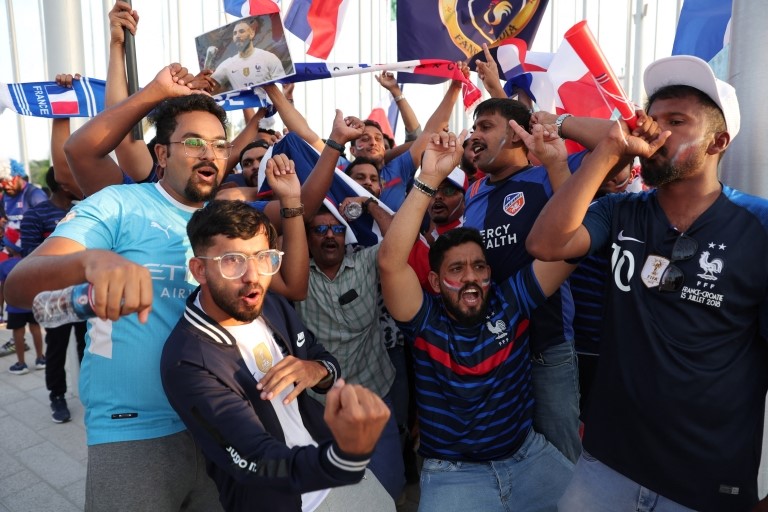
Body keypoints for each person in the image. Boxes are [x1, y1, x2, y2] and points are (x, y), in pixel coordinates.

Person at [4, 63, 306, 511]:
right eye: (194, 143)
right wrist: (90, 260)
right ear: (161, 154)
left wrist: (293, 199)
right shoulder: (119, 204)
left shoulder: (228, 226)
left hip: (222, 427)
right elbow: (17, 286)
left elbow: (290, 283)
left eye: (220, 145)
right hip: (134, 432)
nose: (211, 154)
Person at [526, 55, 768, 512]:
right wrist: (608, 152)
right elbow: (545, 243)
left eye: (676, 121)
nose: (654, 132)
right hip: (605, 469)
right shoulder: (621, 212)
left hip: (706, 486)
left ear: (718, 141)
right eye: (650, 120)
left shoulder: (758, 226)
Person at [378, 128, 580, 511]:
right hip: (453, 474)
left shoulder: (513, 300)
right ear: (435, 282)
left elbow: (569, 246)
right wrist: (430, 180)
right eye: (457, 268)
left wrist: (556, 165)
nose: (471, 276)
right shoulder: (423, 320)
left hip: (528, 459)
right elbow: (390, 262)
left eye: (479, 266)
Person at [161, 200, 394, 512]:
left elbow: (321, 358)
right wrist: (346, 456)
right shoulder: (188, 361)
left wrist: (316, 371)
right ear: (200, 269)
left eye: (264, 258)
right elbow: (255, 460)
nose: (253, 276)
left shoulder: (271, 305)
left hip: (337, 473)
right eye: (233, 261)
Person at [20, 167, 85, 422]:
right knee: (56, 349)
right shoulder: (35, 216)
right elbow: (29, 259)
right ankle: (57, 397)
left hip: (84, 292)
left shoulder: (85, 211)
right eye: (75, 178)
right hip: (54, 298)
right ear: (63, 184)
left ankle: (90, 395)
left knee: (88, 347)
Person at [1, 235, 44, 375]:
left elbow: (2, 289)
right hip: (32, 302)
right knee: (35, 328)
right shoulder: (30, 261)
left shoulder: (4, 265)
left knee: (18, 332)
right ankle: (40, 359)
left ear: (10, 248)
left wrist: (1, 308)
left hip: (14, 305)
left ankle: (21, 364)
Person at [210, 19, 286, 93]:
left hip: (268, 105)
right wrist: (208, 61)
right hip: (245, 105)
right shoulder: (227, 64)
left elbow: (283, 86)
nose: (237, 36)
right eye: (235, 33)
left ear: (252, 34)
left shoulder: (269, 58)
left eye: (241, 31)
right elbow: (209, 89)